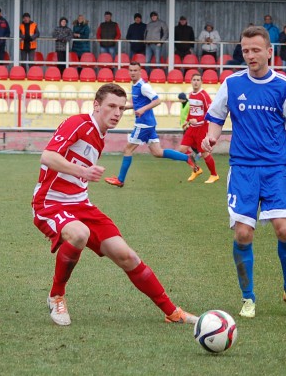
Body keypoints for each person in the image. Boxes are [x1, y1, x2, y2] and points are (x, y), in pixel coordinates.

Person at [32, 82, 198, 326]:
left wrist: (82, 176)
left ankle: (172, 312)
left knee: (126, 255)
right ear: (96, 106)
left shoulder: (101, 134)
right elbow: (47, 156)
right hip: (50, 203)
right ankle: (56, 295)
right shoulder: (78, 123)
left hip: (81, 205)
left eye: (121, 108)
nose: (118, 113)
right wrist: (82, 171)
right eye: (111, 106)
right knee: (79, 234)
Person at [201, 25, 286, 319]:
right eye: (245, 50)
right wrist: (211, 138)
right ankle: (248, 298)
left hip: (275, 169)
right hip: (243, 169)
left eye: (256, 50)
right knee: (243, 235)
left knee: (284, 230)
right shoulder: (232, 84)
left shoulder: (285, 87)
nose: (250, 55)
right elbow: (216, 118)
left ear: (269, 52)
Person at [104, 61, 199, 188]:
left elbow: (157, 101)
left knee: (127, 149)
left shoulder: (143, 86)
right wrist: (128, 107)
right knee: (157, 152)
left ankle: (120, 180)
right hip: (149, 124)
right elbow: (141, 103)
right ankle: (187, 158)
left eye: (135, 70)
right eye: (130, 70)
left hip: (143, 124)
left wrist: (143, 110)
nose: (132, 73)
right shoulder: (135, 85)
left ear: (140, 71)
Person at [178, 72, 219, 184]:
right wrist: (187, 121)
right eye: (194, 80)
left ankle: (214, 175)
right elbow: (192, 111)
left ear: (201, 82)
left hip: (202, 128)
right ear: (191, 81)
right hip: (192, 128)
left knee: (205, 153)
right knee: (182, 150)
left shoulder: (204, 95)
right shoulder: (191, 94)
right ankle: (196, 169)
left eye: (198, 80)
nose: (195, 82)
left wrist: (198, 120)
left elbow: (209, 112)